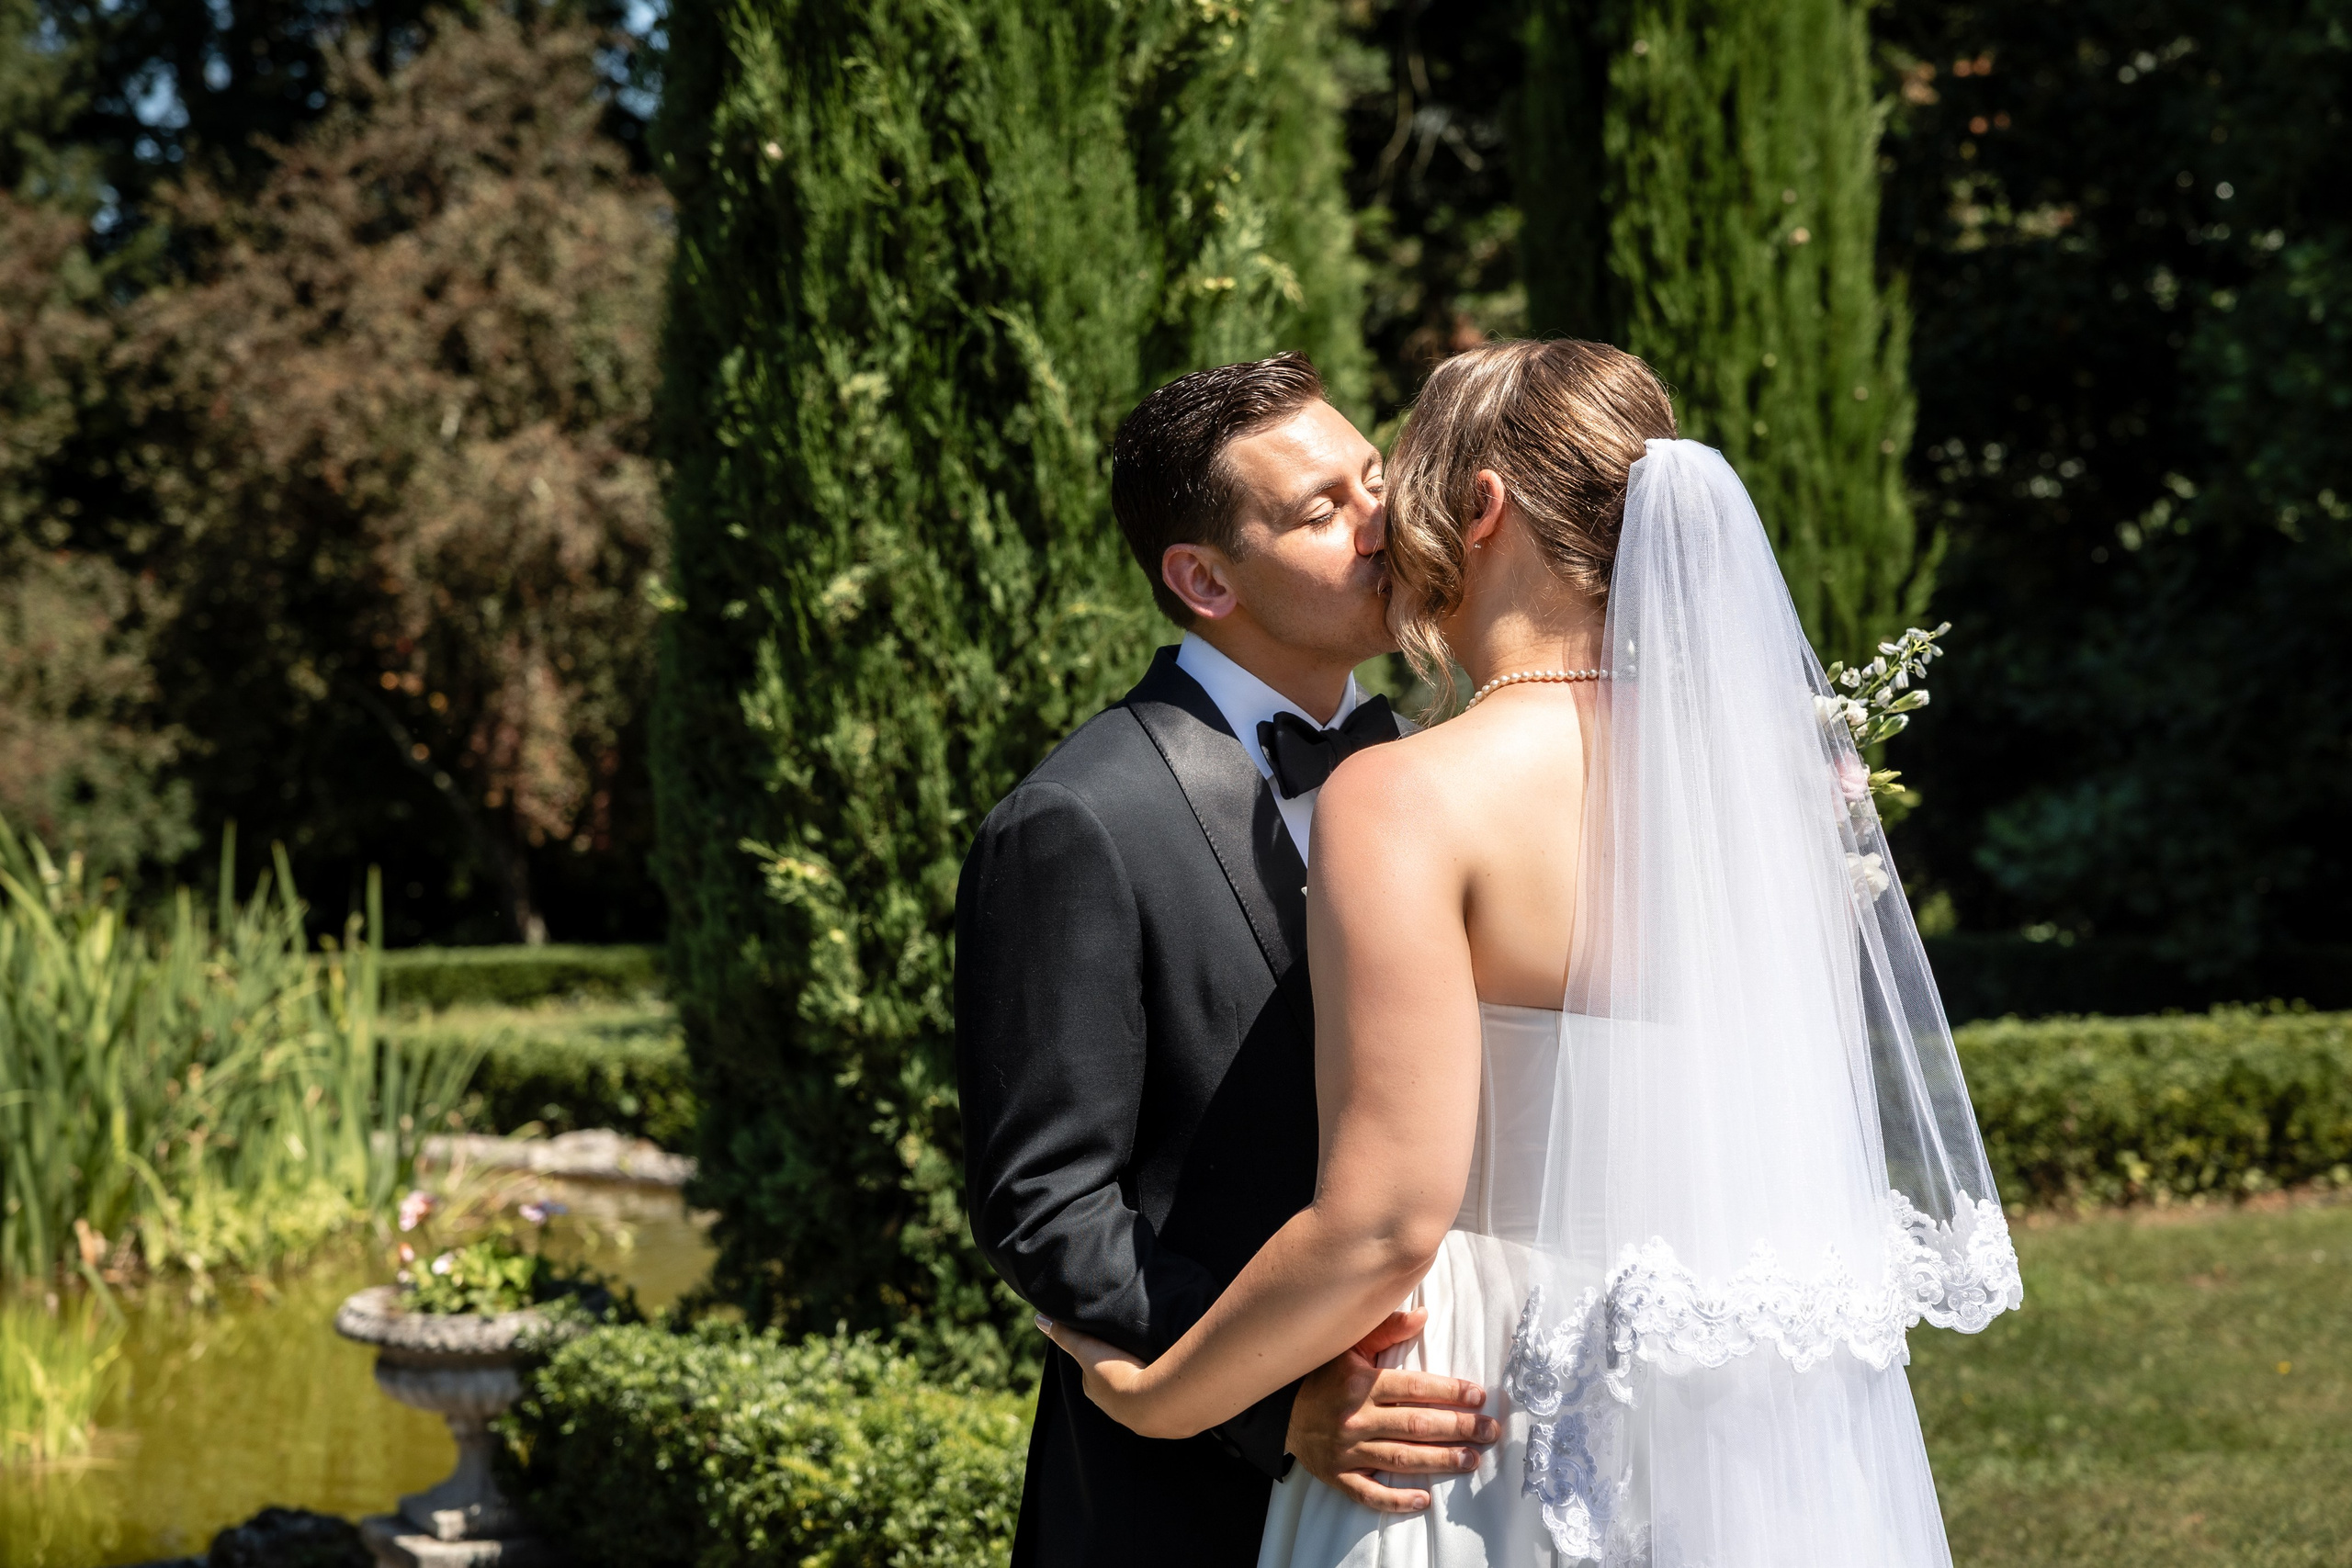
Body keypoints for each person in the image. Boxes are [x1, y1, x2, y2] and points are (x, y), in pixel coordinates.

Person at [1038, 339, 2025, 1567]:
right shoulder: (1769, 790)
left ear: (1483, 507)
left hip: (1487, 1402)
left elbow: (1386, 1223)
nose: (1380, 529)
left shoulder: (1409, 793)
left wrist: (1164, 1397)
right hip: (1732, 1393)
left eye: (1395, 484)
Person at [955, 353, 1501, 1568]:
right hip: (1185, 1505)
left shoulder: (1445, 774)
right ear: (1203, 579)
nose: (1382, 522)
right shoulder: (1076, 820)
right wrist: (1273, 1401)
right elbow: (1045, 1207)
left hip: (1465, 1458)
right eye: (1322, 510)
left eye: (1375, 477)